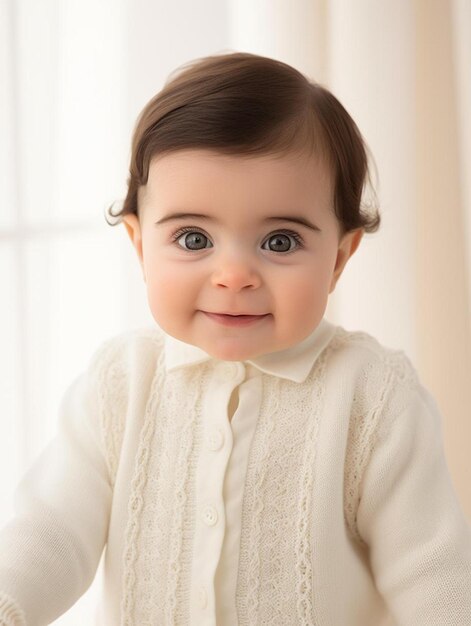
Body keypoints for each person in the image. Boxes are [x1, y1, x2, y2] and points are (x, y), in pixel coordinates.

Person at [0, 51, 470, 626]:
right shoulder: (120, 385)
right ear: (140, 244)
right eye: (194, 239)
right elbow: (52, 531)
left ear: (339, 257)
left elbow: (432, 570)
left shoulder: (372, 399)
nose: (233, 275)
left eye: (279, 242)